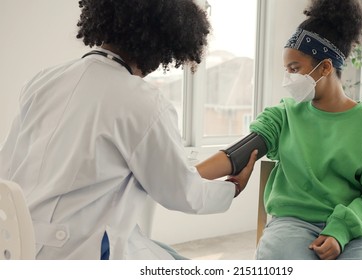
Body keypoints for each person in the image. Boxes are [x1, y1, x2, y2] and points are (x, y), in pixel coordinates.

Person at [0, 0, 257, 260]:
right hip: (78, 252)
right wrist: (232, 188)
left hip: (15, 244)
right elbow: (182, 193)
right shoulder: (143, 101)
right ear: (163, 44)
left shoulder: (43, 80)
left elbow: (7, 167)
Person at [250, 0, 362, 260]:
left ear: (326, 67)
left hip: (356, 231)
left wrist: (340, 231)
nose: (288, 79)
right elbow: (246, 147)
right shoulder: (287, 112)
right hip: (292, 224)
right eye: (286, 70)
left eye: (294, 69)